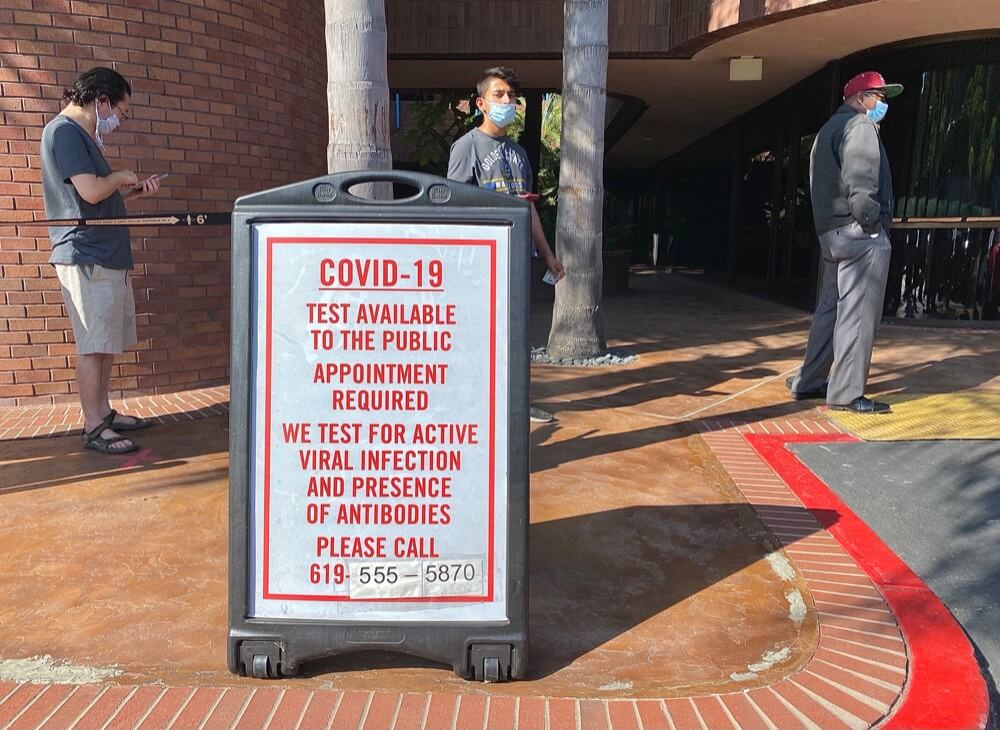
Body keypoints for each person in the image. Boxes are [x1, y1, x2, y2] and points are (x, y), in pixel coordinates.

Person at [40, 67, 162, 453]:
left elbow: (97, 201)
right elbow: (91, 191)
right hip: (86, 254)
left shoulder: (81, 137)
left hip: (102, 253)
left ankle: (103, 413)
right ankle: (93, 427)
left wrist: (135, 192)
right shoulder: (65, 132)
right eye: (120, 113)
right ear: (101, 100)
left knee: (105, 342)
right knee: (93, 345)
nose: (117, 121)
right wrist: (122, 174)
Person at [447, 66, 565, 423]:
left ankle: (514, 406)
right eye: (499, 95)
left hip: (518, 260)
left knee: (515, 337)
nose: (507, 101)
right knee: (478, 335)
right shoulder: (466, 146)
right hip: (481, 263)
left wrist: (547, 255)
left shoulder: (519, 153)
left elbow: (527, 207)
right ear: (481, 103)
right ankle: (473, 408)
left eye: (511, 96)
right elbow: (452, 205)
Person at [787, 71, 902, 414]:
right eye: (878, 97)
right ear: (859, 98)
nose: (882, 104)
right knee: (858, 312)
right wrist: (871, 224)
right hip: (858, 234)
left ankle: (810, 381)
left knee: (830, 309)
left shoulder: (826, 131)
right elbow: (862, 179)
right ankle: (847, 392)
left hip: (832, 235)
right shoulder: (860, 127)